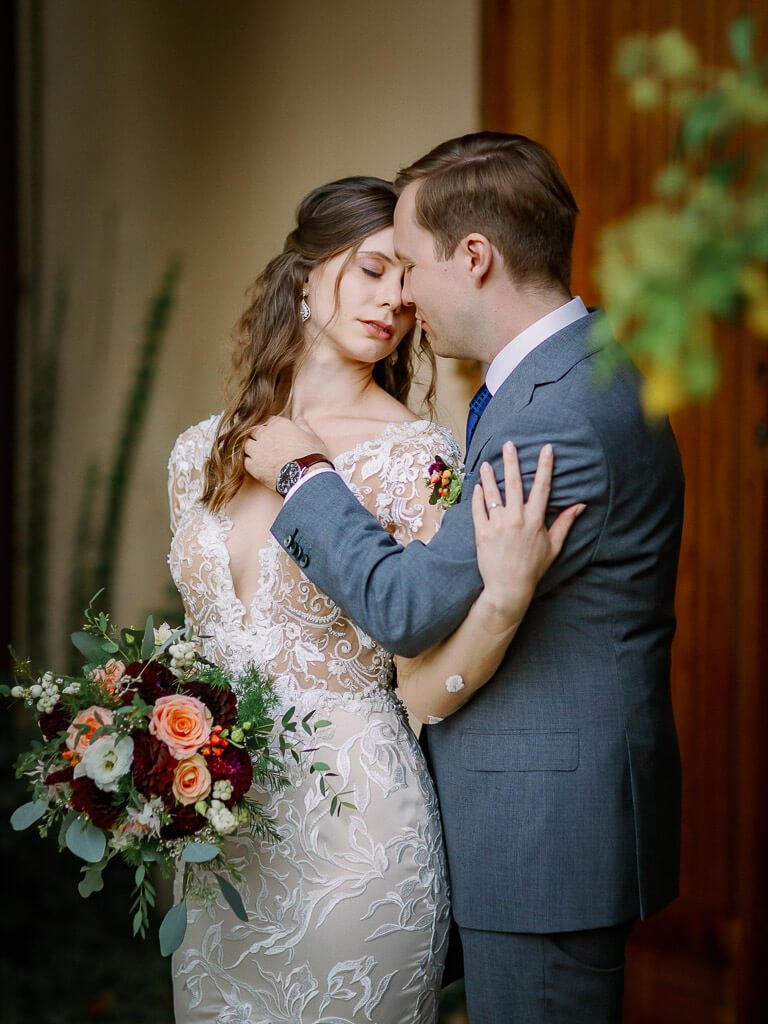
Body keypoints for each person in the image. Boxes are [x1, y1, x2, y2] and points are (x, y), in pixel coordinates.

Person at [244, 133, 686, 1024]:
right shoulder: (578, 370)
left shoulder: (553, 417)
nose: (403, 296)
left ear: (475, 257)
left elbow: (406, 607)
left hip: (541, 835)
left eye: (409, 265)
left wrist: (305, 476)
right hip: (537, 821)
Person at [167, 175, 581, 1024]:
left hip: (355, 840)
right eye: (371, 270)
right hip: (219, 846)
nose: (394, 300)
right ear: (305, 273)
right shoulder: (197, 453)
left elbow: (423, 683)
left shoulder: (418, 459)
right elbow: (195, 656)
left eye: (406, 280)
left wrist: (502, 601)